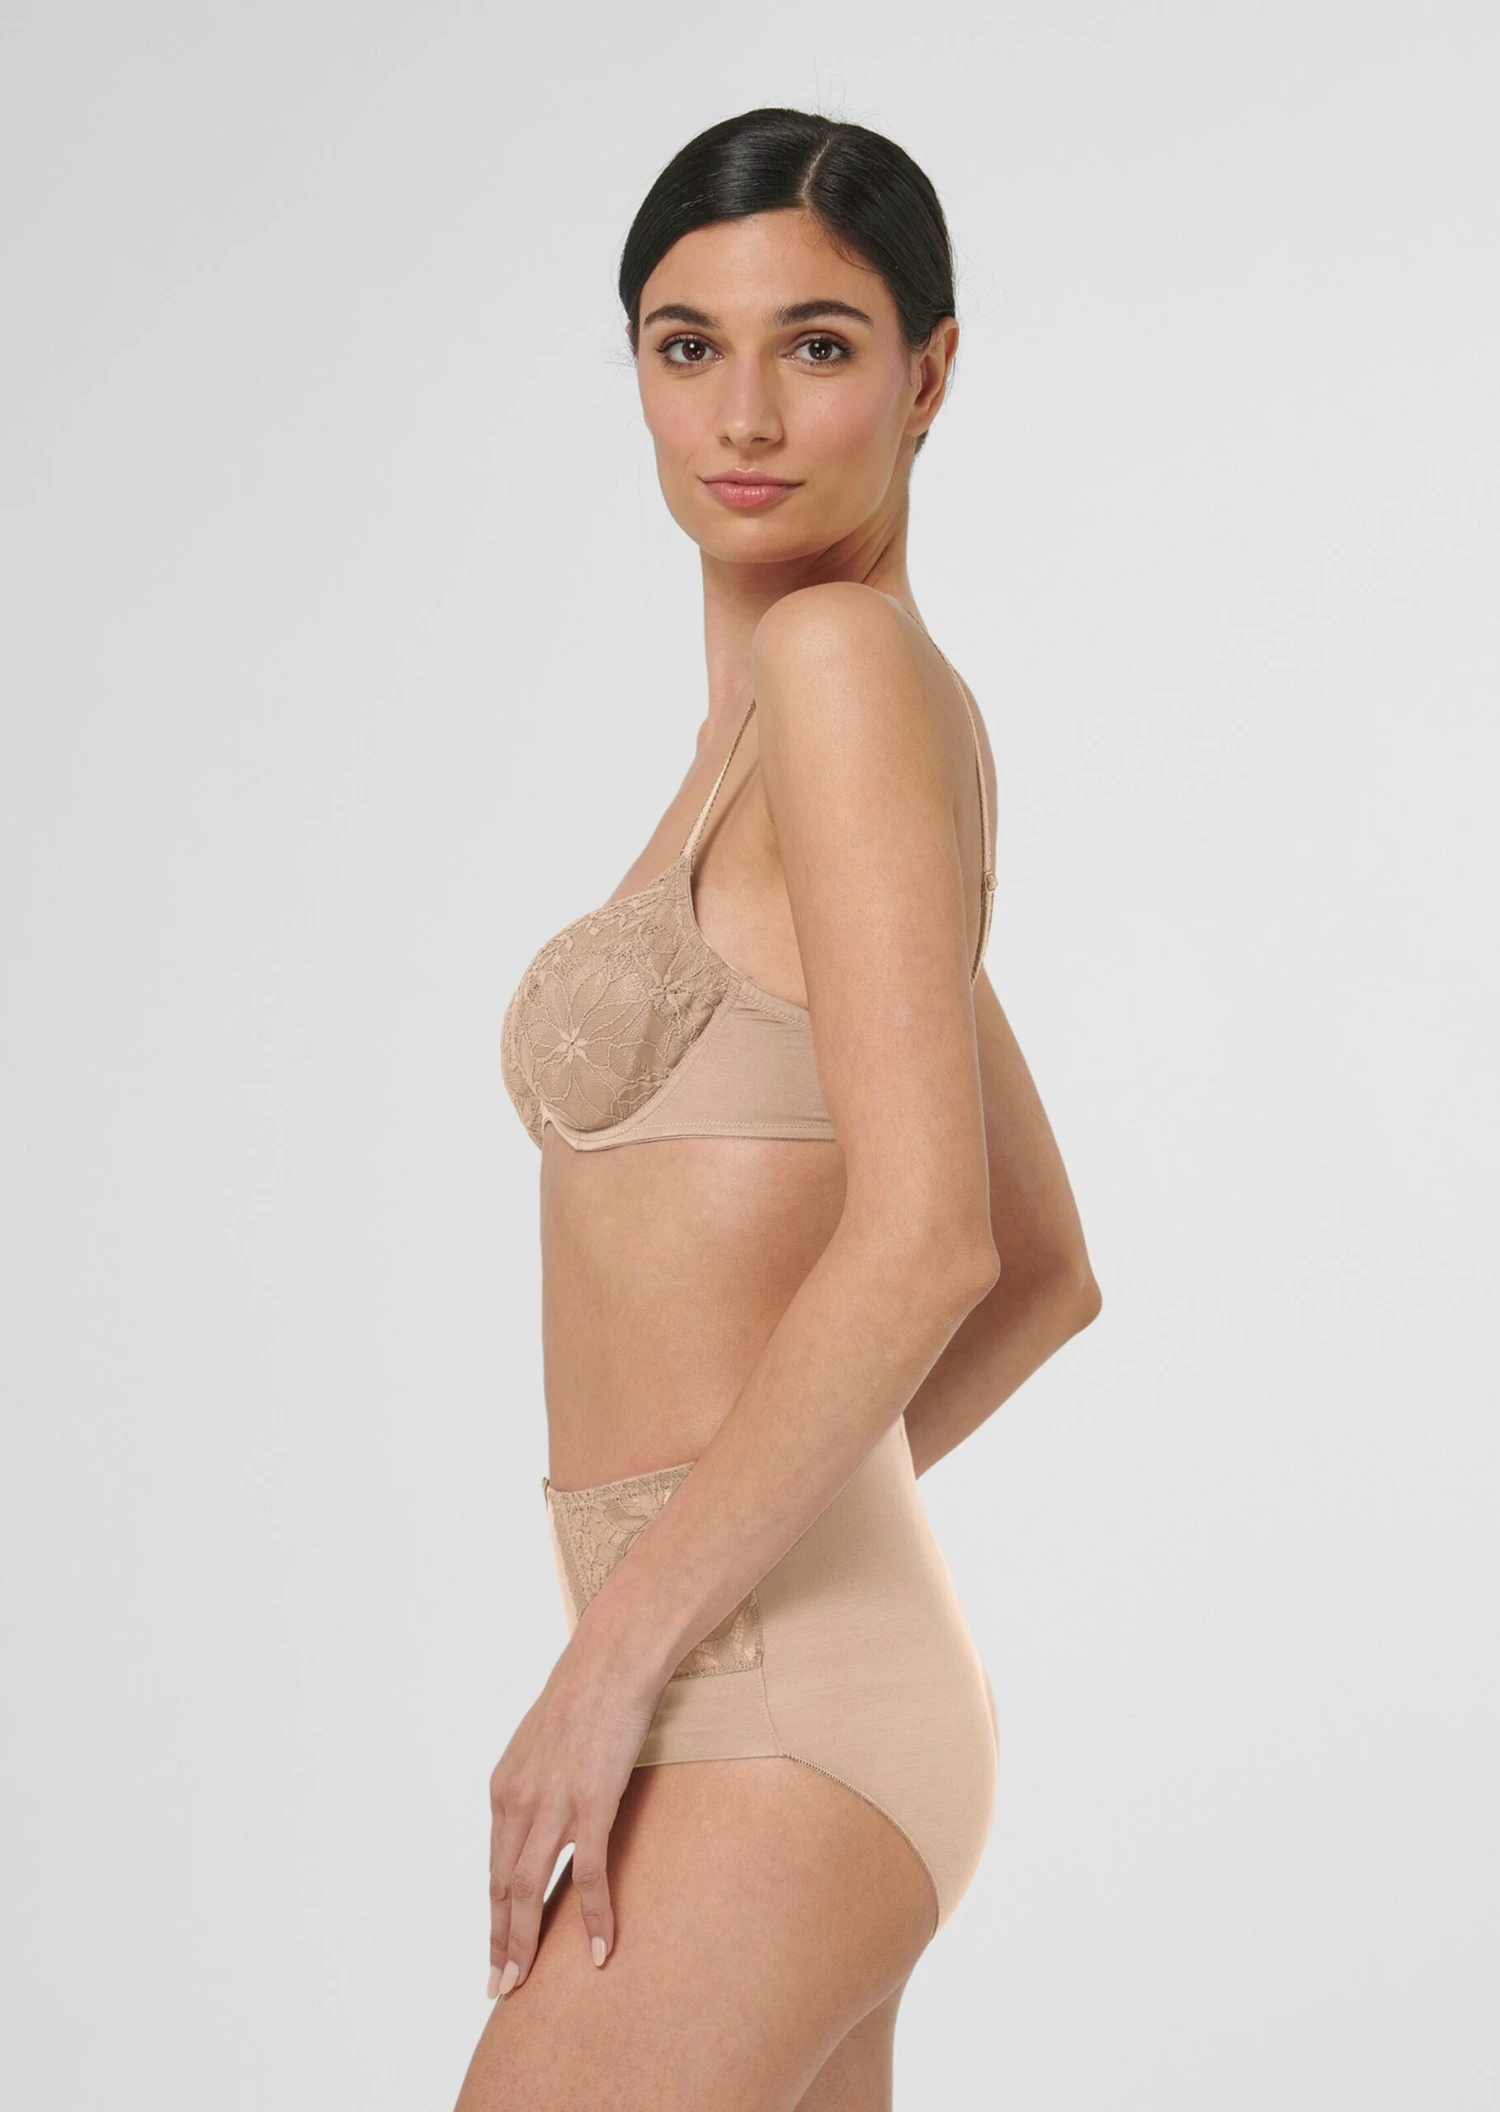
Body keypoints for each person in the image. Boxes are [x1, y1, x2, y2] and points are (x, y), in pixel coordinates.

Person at [453, 106, 1102, 2112]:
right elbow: (1047, 1268)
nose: (741, 413)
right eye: (686, 345)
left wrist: (617, 1654)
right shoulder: (785, 742)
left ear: (930, 373)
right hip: (779, 1684)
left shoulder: (840, 671)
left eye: (817, 344)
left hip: (768, 1715)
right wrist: (742, 1573)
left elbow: (932, 1247)